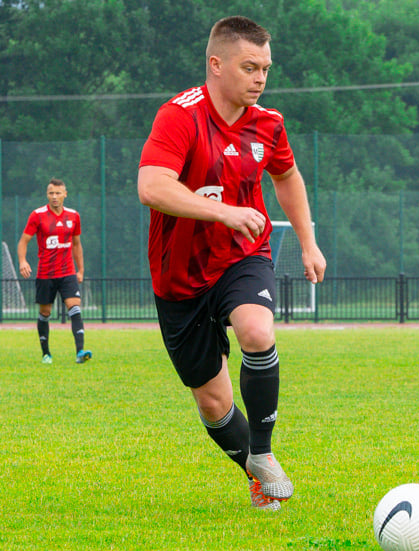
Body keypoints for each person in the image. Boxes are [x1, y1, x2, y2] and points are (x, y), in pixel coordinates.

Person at [137, 16, 326, 511]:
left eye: (265, 68)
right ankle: (253, 470)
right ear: (216, 65)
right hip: (179, 278)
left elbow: (287, 177)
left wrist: (308, 243)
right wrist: (222, 211)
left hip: (243, 256)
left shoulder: (269, 123)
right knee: (213, 403)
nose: (260, 78)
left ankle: (262, 454)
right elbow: (151, 188)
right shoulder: (179, 116)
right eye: (250, 67)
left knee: (258, 333)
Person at [17, 178, 92, 364]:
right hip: (45, 274)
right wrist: (22, 261)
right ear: (47, 195)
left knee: (75, 307)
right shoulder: (37, 215)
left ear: (65, 194)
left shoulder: (74, 216)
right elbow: (23, 241)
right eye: (51, 193)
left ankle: (80, 352)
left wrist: (80, 270)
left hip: (67, 272)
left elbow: (76, 245)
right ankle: (46, 353)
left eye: (58, 193)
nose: (55, 197)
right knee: (45, 312)